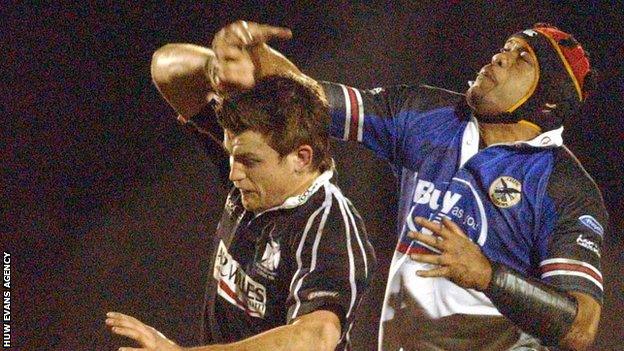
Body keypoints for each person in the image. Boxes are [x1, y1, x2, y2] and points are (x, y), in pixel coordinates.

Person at [202, 21, 608, 351]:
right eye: (506, 46)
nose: (500, 56)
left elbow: (581, 327)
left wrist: (487, 275)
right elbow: (312, 103)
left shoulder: (565, 188)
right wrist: (256, 59)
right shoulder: (428, 115)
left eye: (522, 59)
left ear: (548, 103)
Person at [105, 69, 377, 350]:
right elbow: (169, 71)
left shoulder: (330, 227)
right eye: (232, 156)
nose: (234, 173)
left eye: (248, 161)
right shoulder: (250, 157)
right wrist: (226, 65)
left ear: (301, 158)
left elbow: (315, 339)